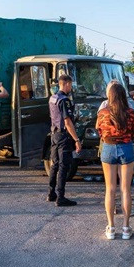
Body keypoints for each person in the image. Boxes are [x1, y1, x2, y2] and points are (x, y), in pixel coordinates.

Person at [96, 83, 134, 239]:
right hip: (126, 148)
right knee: (125, 189)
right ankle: (126, 228)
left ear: (110, 95)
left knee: (110, 189)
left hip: (108, 148)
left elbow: (99, 130)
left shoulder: (103, 113)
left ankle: (111, 228)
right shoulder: (131, 113)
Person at [48, 74, 80, 206]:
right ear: (66, 84)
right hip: (63, 136)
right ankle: (60, 197)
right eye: (70, 85)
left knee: (54, 164)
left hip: (54, 134)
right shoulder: (64, 100)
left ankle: (51, 193)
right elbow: (67, 122)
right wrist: (76, 139)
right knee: (63, 166)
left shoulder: (52, 98)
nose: (71, 87)